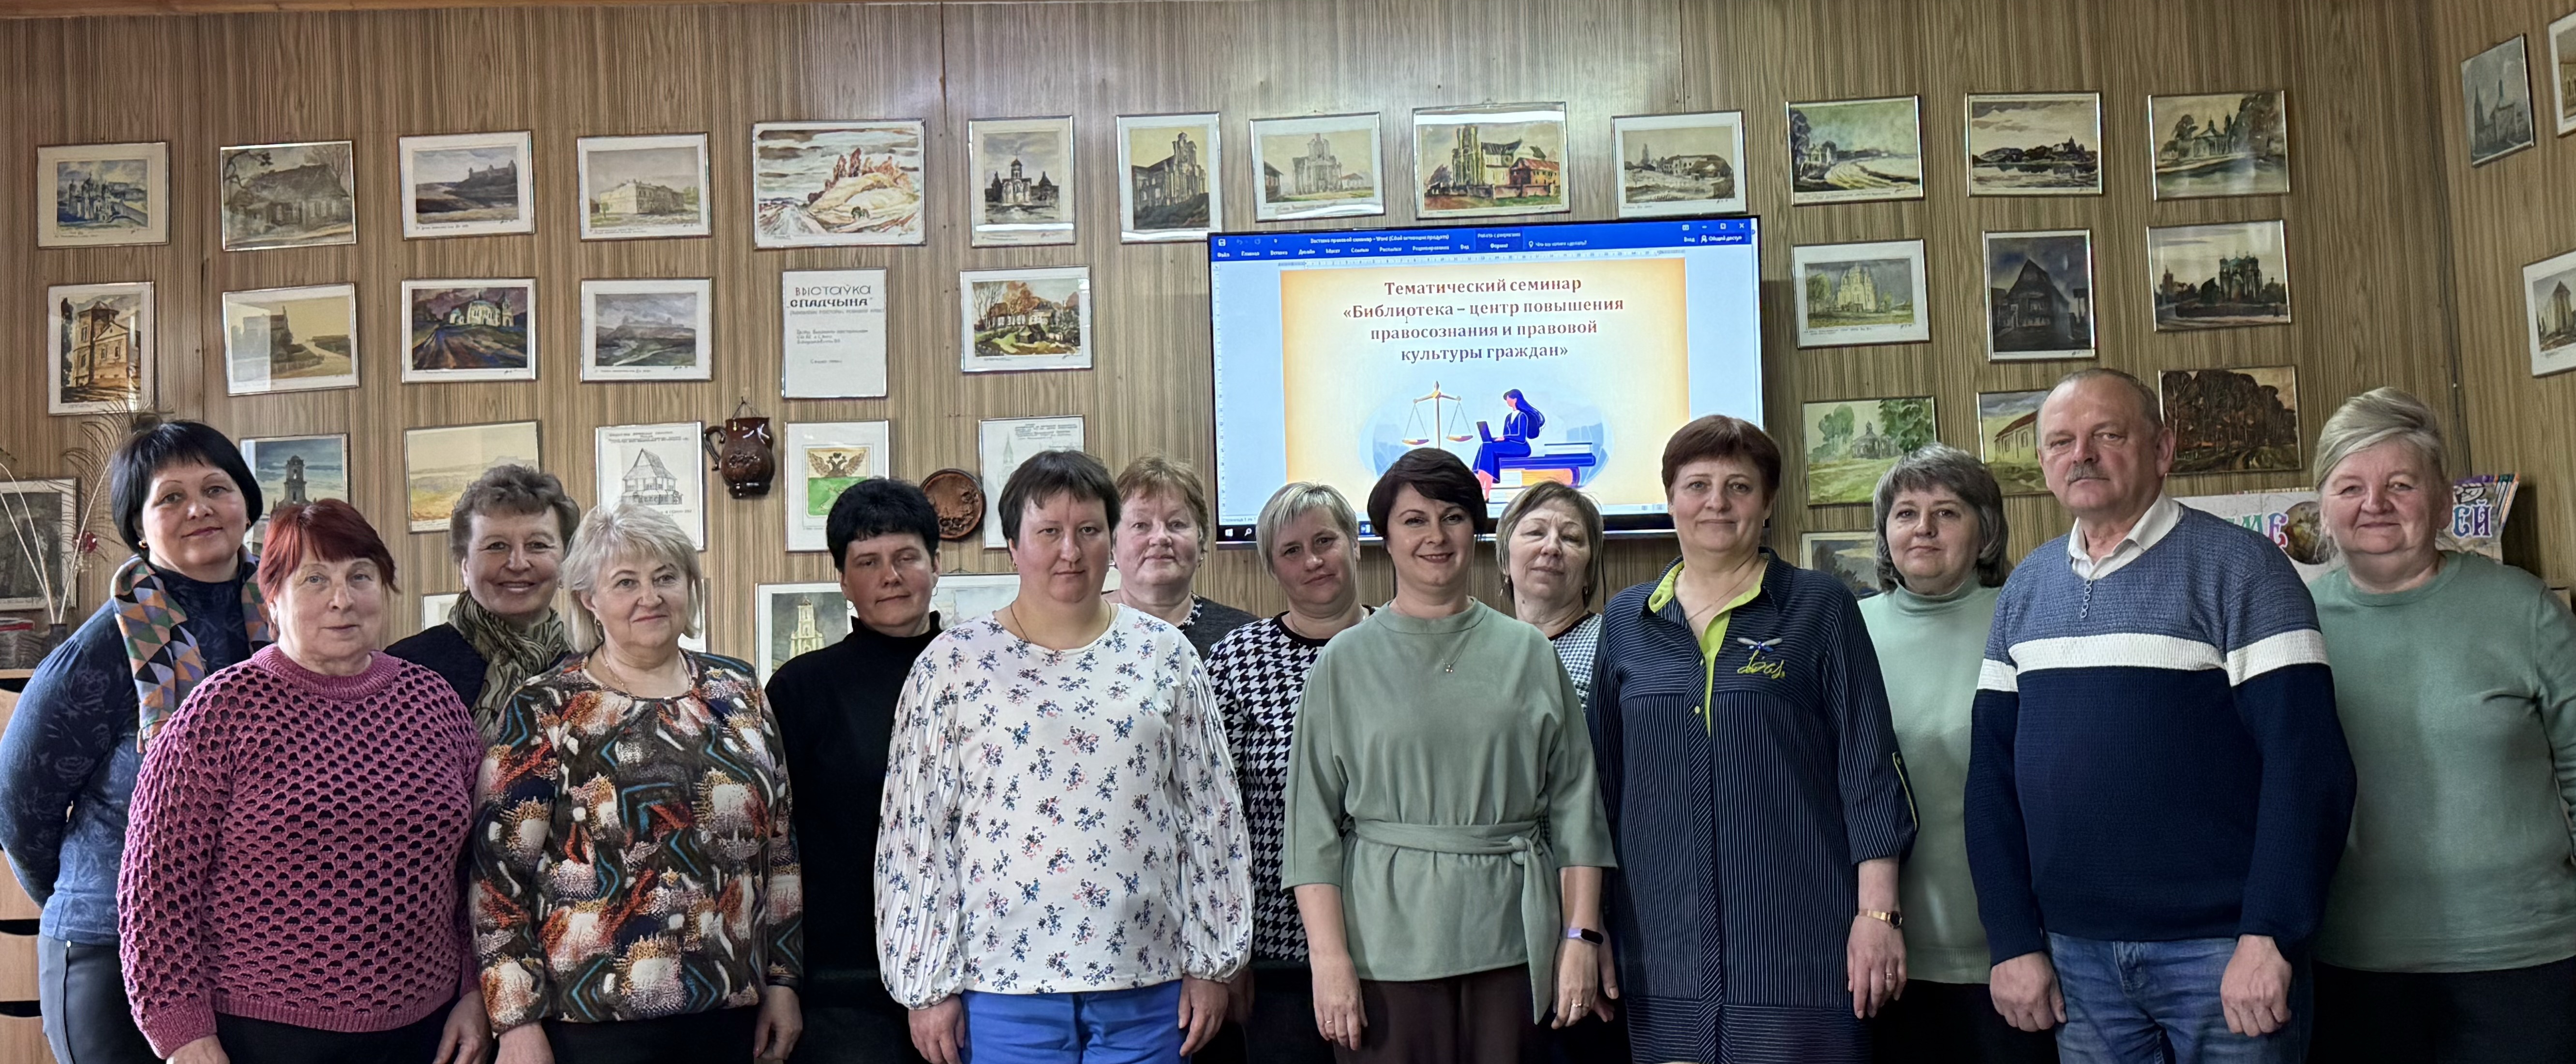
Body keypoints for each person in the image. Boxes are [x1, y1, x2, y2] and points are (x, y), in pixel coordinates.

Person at [1966, 369, 2354, 1064]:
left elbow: (2308, 768)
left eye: (2107, 435)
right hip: (2075, 960)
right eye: (2060, 442)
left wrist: (2270, 933)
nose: (2081, 455)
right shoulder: (2025, 588)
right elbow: (1990, 784)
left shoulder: (2243, 569)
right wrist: (2012, 939)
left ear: (2163, 449)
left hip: (2223, 952)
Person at [876, 449, 1251, 1064]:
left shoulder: (1166, 654)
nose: (1070, 551)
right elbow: (916, 833)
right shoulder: (951, 664)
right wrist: (925, 983)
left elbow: (1210, 813)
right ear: (1013, 545)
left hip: (1148, 979)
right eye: (1049, 531)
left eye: (1089, 530)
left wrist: (1214, 961)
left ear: (1111, 539)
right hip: (1000, 987)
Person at [1589, 415, 1917, 1064]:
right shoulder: (1627, 619)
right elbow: (1598, 787)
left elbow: (1869, 769)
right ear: (1670, 499)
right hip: (1661, 955)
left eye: (1738, 486)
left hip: (1801, 949)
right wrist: (1589, 925)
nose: (1716, 502)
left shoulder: (1820, 607)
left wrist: (1877, 916)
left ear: (1766, 504)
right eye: (1697, 485)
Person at [119, 500, 486, 1064]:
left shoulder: (434, 703)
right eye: (315, 579)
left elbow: (476, 872)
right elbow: (155, 890)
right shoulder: (220, 711)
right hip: (259, 1038)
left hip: (426, 1033)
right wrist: (181, 1035)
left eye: (360, 576)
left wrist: (474, 991)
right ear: (272, 598)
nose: (342, 599)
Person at [1283, 446, 1615, 1064]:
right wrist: (1328, 959)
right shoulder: (1343, 662)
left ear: (1477, 532)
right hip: (1384, 948)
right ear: (1384, 539)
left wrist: (1580, 935)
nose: (1436, 536)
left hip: (1515, 941)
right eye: (1415, 520)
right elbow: (1310, 831)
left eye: (1453, 517)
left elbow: (1578, 812)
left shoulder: (1529, 653)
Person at [472, 502, 802, 1064]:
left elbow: (780, 848)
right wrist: (515, 1021)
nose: (650, 597)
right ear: (589, 599)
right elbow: (497, 877)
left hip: (730, 1015)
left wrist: (784, 980)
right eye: (626, 582)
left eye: (666, 577)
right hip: (590, 1027)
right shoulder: (546, 705)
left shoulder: (739, 688)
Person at [2302, 387, 2576, 1064]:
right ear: (2322, 508)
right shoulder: (2295, 625)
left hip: (2523, 958)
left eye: (2401, 484)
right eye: (2350, 487)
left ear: (2446, 500)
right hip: (2353, 961)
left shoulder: (2523, 609)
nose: (2376, 503)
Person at [0, 420, 270, 1064]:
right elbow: (19, 807)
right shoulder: (98, 651)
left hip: (251, 946)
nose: (199, 508)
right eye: (171, 497)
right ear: (139, 527)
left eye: (216, 488)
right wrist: (99, 891)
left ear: (247, 503)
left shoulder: (289, 621)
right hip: (112, 947)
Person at [1855, 447, 2055, 1064]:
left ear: (1986, 531)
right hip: (1875, 955)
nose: (1924, 528)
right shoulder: (1847, 630)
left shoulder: (2028, 619)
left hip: (2012, 956)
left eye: (1947, 512)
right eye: (1906, 513)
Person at [764, 480, 943, 1064]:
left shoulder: (976, 673)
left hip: (972, 979)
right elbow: (776, 846)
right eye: (868, 562)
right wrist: (783, 980)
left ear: (936, 564)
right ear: (843, 579)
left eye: (907, 556)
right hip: (842, 990)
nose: (891, 576)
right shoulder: (801, 688)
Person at [1200, 483, 1373, 1064]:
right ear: (1272, 568)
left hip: (1394, 935)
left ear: (1355, 544)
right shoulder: (1236, 661)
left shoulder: (1402, 643)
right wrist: (1229, 951)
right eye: (1292, 551)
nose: (1313, 560)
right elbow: (1213, 816)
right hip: (1277, 947)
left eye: (1326, 541)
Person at [387, 465, 579, 735]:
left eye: (538, 545)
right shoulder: (404, 671)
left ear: (566, 563)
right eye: (496, 546)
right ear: (465, 567)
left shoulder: (593, 670)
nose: (518, 563)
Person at [1102, 453, 1258, 657]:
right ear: (1113, 544)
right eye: (1141, 525)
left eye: (1177, 524)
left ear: (1201, 541)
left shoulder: (1245, 639)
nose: (1160, 537)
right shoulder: (1074, 625)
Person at [1495, 480, 1608, 708]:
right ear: (1505, 561)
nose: (1552, 547)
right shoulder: (1484, 651)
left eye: (1570, 538)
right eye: (1536, 532)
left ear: (1589, 571)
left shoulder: (1613, 644)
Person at [1471, 389, 1544, 495]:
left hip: (1521, 447)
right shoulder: (1509, 417)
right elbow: (1505, 435)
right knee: (1486, 445)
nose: (1507, 401)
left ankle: (1484, 487)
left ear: (1515, 400)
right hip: (1510, 445)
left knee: (1489, 448)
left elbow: (1521, 437)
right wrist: (1496, 439)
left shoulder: (1522, 416)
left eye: (1508, 399)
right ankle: (1484, 489)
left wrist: (1505, 438)